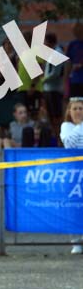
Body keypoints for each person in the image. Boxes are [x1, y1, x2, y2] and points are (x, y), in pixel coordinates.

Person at [60, 98, 83, 253]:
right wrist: (81, 126)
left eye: (81, 108)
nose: (78, 112)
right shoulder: (66, 126)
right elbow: (69, 143)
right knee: (74, 207)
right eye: (75, 108)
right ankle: (76, 241)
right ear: (69, 111)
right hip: (73, 173)